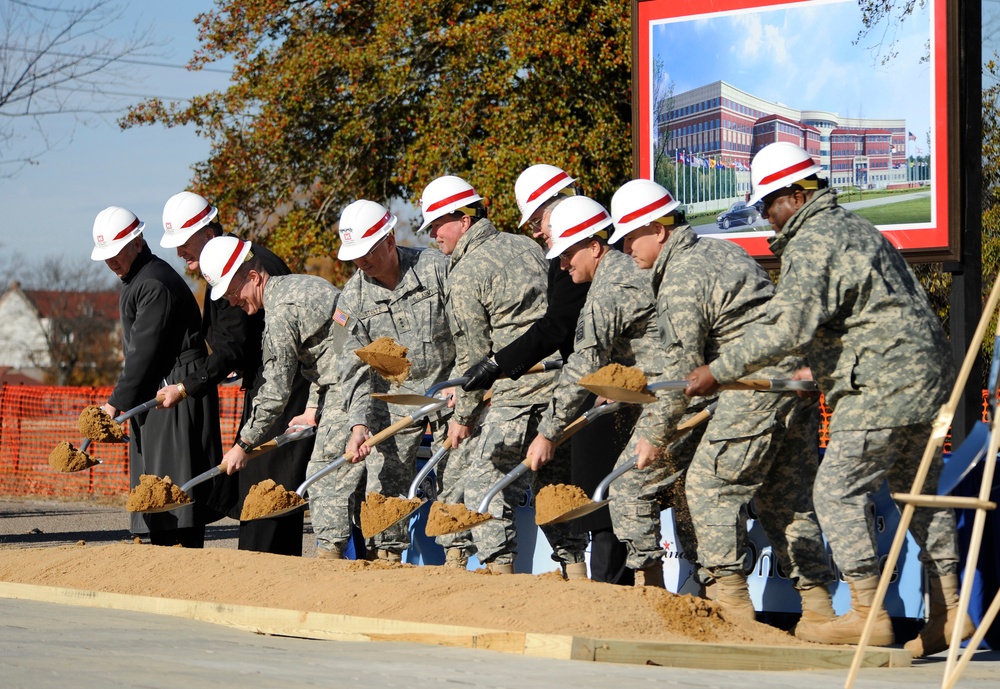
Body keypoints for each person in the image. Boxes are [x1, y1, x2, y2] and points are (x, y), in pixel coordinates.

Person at [684, 142, 972, 652]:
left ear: (795, 196)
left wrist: (718, 370)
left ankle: (867, 613)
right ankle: (950, 609)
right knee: (916, 490)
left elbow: (786, 325)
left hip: (880, 383)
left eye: (768, 205)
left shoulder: (813, 239)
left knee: (835, 492)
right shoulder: (855, 228)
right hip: (924, 375)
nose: (766, 219)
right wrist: (818, 364)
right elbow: (861, 312)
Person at [608, 178, 835, 625]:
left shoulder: (680, 278)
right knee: (785, 497)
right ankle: (820, 612)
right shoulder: (722, 250)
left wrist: (654, 435)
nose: (627, 248)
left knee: (709, 486)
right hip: (796, 383)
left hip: (756, 385)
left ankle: (732, 611)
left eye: (632, 236)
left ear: (658, 229)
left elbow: (680, 371)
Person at [462, 164, 633, 584]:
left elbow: (559, 332)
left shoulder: (599, 269)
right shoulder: (574, 258)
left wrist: (500, 366)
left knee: (618, 504)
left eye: (538, 220)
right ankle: (591, 588)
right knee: (603, 503)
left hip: (607, 392)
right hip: (595, 389)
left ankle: (617, 600)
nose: (537, 232)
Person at [420, 174, 588, 575]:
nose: (433, 235)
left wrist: (462, 417)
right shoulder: (529, 246)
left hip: (517, 395)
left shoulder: (465, 273)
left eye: (437, 224)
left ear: (464, 219)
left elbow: (475, 356)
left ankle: (501, 582)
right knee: (554, 489)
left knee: (486, 487)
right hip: (563, 390)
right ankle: (581, 582)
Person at [155, 191, 314, 557]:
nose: (179, 253)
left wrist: (185, 385)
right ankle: (266, 562)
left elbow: (233, 350)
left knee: (266, 483)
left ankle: (264, 567)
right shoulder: (243, 260)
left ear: (208, 234)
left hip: (284, 390)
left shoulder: (237, 273)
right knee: (265, 486)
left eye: (183, 243)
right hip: (281, 382)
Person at [521, 195, 668, 587]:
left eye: (569, 252)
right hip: (655, 393)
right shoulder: (614, 276)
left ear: (595, 246)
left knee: (628, 489)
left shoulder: (609, 288)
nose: (562, 262)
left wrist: (547, 432)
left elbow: (582, 362)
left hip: (672, 395)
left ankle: (652, 595)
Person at [198, 236, 350, 559]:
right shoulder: (294, 287)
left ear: (254, 277)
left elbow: (275, 392)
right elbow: (323, 358)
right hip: (343, 382)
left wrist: (244, 444)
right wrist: (312, 409)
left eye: (234, 294)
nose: (234, 303)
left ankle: (332, 563)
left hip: (351, 386)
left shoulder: (280, 312)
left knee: (323, 477)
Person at [324, 199, 455, 562]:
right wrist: (357, 425)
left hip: (448, 391)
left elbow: (468, 326)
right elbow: (354, 370)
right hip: (394, 400)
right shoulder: (352, 298)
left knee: (457, 472)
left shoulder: (435, 267)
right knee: (383, 484)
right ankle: (386, 559)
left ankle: (460, 561)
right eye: (354, 255)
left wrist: (463, 383)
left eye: (367, 251)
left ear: (389, 238)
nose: (361, 261)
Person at [90, 205, 222, 548]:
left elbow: (144, 354)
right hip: (159, 390)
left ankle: (178, 560)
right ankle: (164, 555)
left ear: (137, 242)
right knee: (159, 490)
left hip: (177, 390)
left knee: (174, 491)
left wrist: (114, 404)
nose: (112, 261)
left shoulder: (153, 283)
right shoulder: (138, 278)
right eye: (106, 256)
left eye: (116, 253)